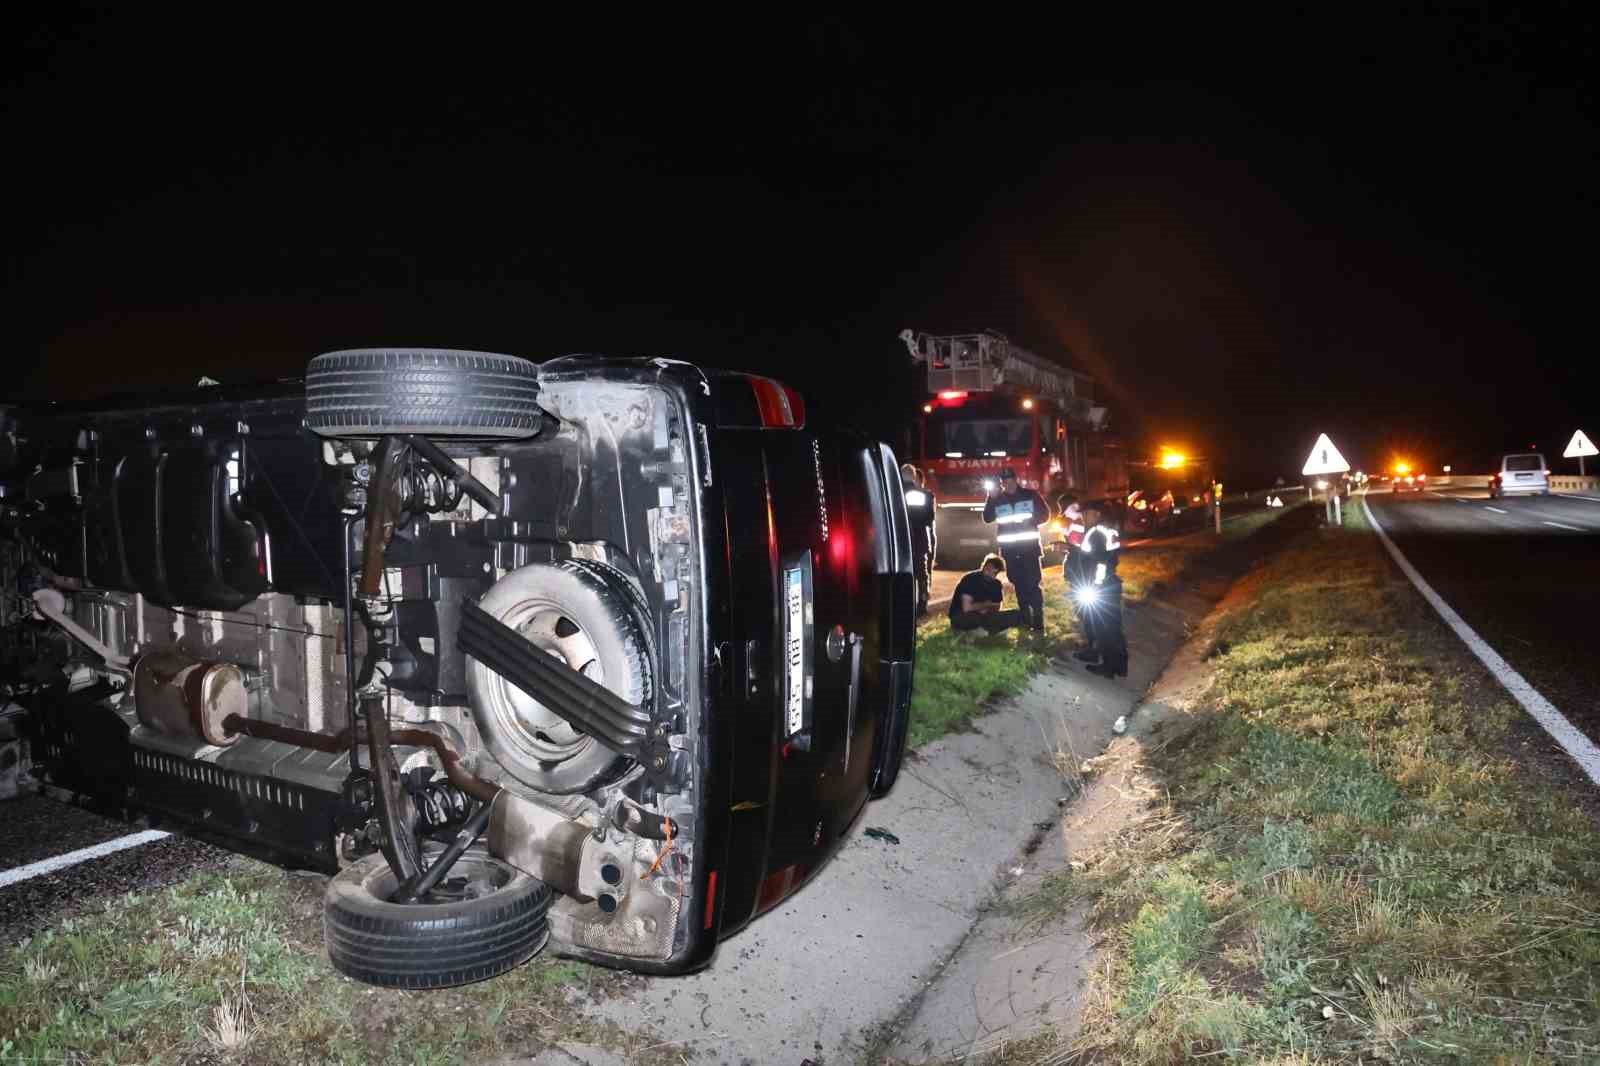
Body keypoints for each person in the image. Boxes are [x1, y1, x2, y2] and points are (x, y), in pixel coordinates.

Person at [982, 467, 1049, 631]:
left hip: (1029, 549)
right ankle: (1026, 619)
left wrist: (1031, 520)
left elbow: (1045, 515)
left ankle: (1038, 620)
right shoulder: (997, 499)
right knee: (1018, 584)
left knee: (1032, 584)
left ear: (1015, 479)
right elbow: (987, 518)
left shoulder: (1030, 495)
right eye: (1004, 482)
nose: (1007, 484)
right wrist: (991, 498)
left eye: (1009, 480)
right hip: (1010, 552)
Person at [1075, 500, 1127, 678]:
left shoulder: (1096, 533)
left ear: (1097, 514)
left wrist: (1095, 586)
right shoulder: (1108, 530)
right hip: (1111, 584)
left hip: (1100, 587)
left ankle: (1108, 667)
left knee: (1103, 629)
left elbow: (1100, 562)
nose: (1082, 517)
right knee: (1113, 627)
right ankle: (1120, 665)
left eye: (1086, 513)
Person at [948, 553, 1024, 634]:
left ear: (997, 571)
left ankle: (987, 629)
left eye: (992, 569)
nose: (988, 570)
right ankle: (988, 630)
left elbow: (996, 607)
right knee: (975, 619)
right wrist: (985, 605)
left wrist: (987, 609)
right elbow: (967, 608)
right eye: (987, 567)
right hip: (962, 616)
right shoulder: (970, 578)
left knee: (1016, 614)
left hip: (985, 616)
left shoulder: (996, 584)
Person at [900, 463, 937, 616]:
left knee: (903, 575)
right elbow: (930, 519)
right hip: (920, 540)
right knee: (922, 575)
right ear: (914, 477)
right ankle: (922, 604)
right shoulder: (926, 495)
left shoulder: (894, 494)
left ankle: (903, 605)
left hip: (901, 541)